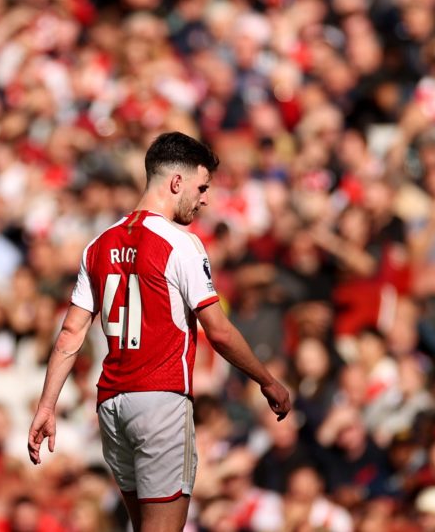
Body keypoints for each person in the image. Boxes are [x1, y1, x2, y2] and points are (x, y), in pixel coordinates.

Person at [27, 132, 291, 532]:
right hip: (160, 401)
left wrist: (46, 406)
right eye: (202, 188)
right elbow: (217, 331)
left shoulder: (98, 245)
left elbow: (70, 334)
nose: (205, 199)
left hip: (112, 405)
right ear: (176, 182)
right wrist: (268, 380)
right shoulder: (180, 244)